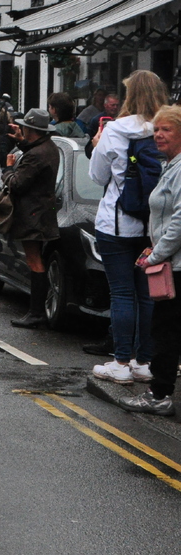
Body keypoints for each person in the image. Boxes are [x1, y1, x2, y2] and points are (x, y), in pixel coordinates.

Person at [88, 70, 168, 384]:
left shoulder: (117, 129)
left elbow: (97, 176)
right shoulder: (167, 128)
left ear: (129, 95)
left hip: (117, 224)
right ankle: (143, 362)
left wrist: (97, 144)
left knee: (121, 295)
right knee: (147, 296)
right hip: (154, 227)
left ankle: (120, 362)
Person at [122, 104, 181, 416]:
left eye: (166, 129)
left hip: (176, 266)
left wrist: (156, 255)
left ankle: (159, 396)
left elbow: (180, 222)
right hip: (170, 260)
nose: (159, 135)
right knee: (167, 330)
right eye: (156, 129)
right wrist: (152, 246)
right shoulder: (169, 165)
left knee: (166, 332)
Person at [4, 109, 61, 328]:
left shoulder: (38, 154)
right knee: (36, 259)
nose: (22, 129)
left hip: (33, 214)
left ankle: (36, 312)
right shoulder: (48, 147)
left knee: (34, 260)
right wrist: (21, 144)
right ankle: (37, 310)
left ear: (31, 129)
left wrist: (8, 169)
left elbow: (17, 183)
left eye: (24, 127)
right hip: (42, 211)